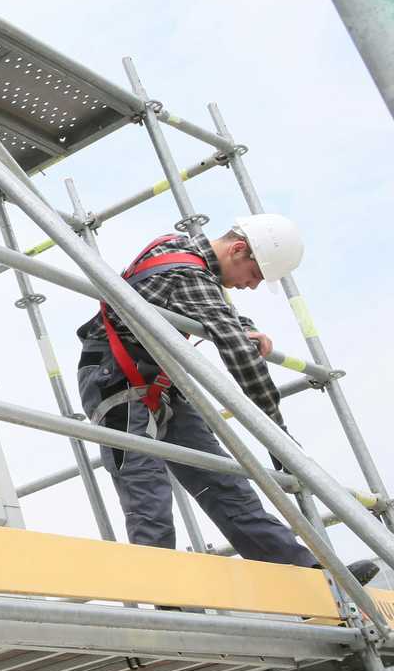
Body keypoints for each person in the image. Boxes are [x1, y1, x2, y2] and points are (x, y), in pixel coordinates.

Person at [76, 214, 378, 582]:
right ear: (237, 250)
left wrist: (242, 325)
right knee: (147, 490)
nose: (251, 286)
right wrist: (277, 436)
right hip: (115, 378)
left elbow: (211, 307)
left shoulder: (182, 254)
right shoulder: (187, 272)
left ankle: (308, 578)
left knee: (224, 482)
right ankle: (169, 599)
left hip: (159, 380)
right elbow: (241, 359)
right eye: (254, 275)